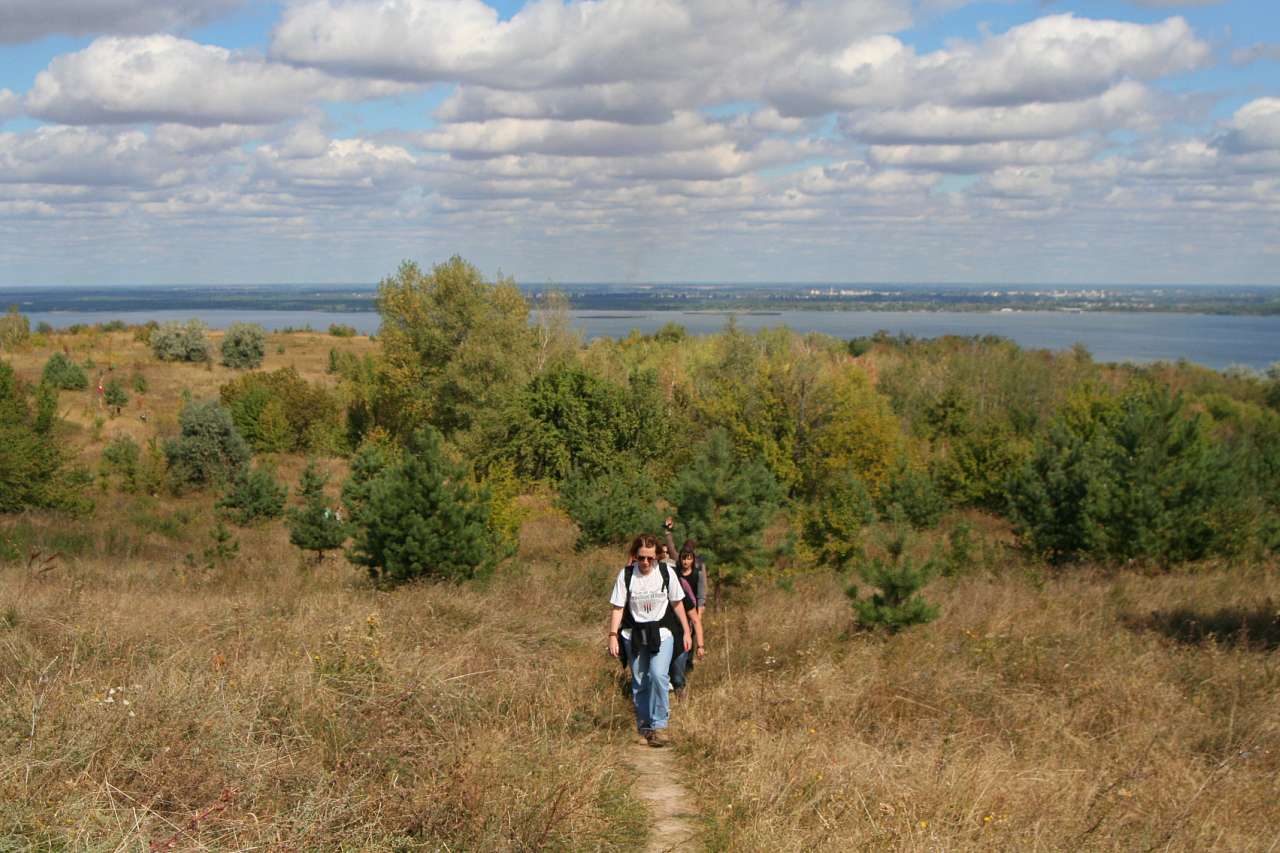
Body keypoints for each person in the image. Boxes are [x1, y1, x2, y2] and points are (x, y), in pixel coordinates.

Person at [608, 534, 691, 747]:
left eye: (650, 558)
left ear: (658, 557)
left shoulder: (667, 573)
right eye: (641, 558)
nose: (645, 563)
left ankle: (660, 725)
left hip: (662, 633)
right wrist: (613, 635)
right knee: (640, 680)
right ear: (635, 556)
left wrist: (687, 631)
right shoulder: (626, 575)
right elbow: (618, 607)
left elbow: (677, 604)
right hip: (633, 634)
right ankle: (645, 727)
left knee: (658, 675)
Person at [669, 553, 705, 697]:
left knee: (678, 676)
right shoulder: (657, 596)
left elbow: (695, 620)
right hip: (662, 640)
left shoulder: (682, 595)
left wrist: (700, 646)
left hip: (681, 640)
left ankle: (680, 700)